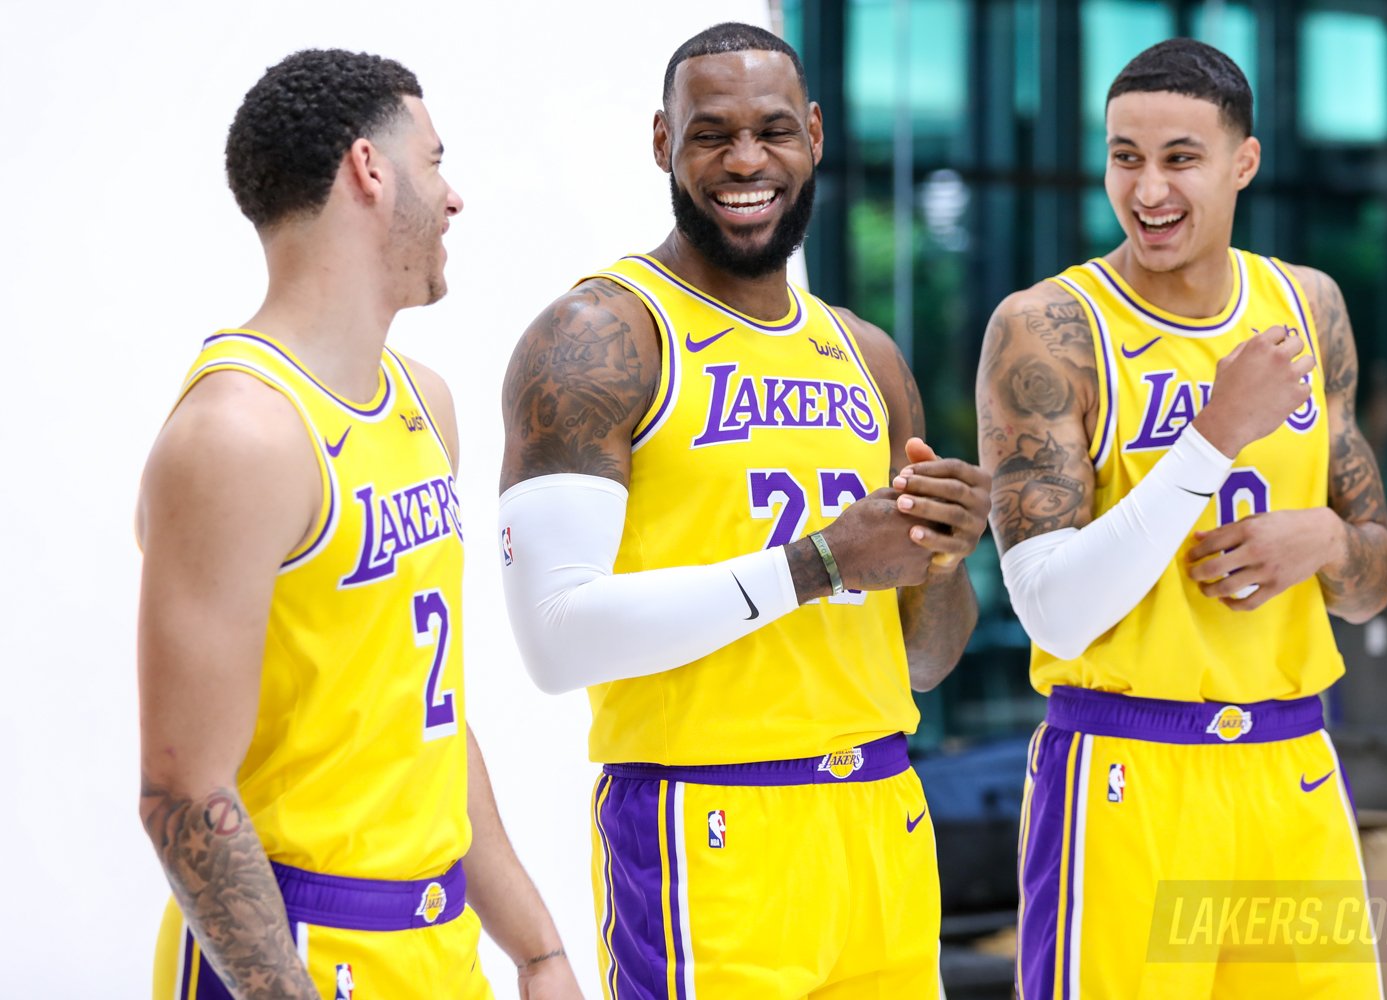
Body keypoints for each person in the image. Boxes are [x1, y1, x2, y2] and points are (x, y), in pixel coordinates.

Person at [497, 22, 989, 999]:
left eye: (772, 130)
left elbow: (923, 662)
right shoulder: (599, 336)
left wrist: (944, 554)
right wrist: (822, 562)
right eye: (712, 134)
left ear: (815, 135)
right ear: (662, 142)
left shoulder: (867, 354)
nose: (746, 161)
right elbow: (555, 641)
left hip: (882, 811)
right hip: (706, 819)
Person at [136, 49, 582, 1000]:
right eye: (435, 161)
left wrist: (538, 949)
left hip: (438, 940)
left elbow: (424, 716)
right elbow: (185, 794)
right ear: (368, 170)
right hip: (291, 947)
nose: (453, 197)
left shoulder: (426, 403)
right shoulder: (237, 435)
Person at [977, 39, 1387, 999]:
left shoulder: (1308, 306)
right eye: (1125, 156)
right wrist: (1215, 434)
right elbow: (1052, 612)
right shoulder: (1050, 328)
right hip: (1128, 767)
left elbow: (1371, 584)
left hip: (1291, 761)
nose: (1148, 189)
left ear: (1243, 163)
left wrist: (1329, 540)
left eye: (1180, 158)